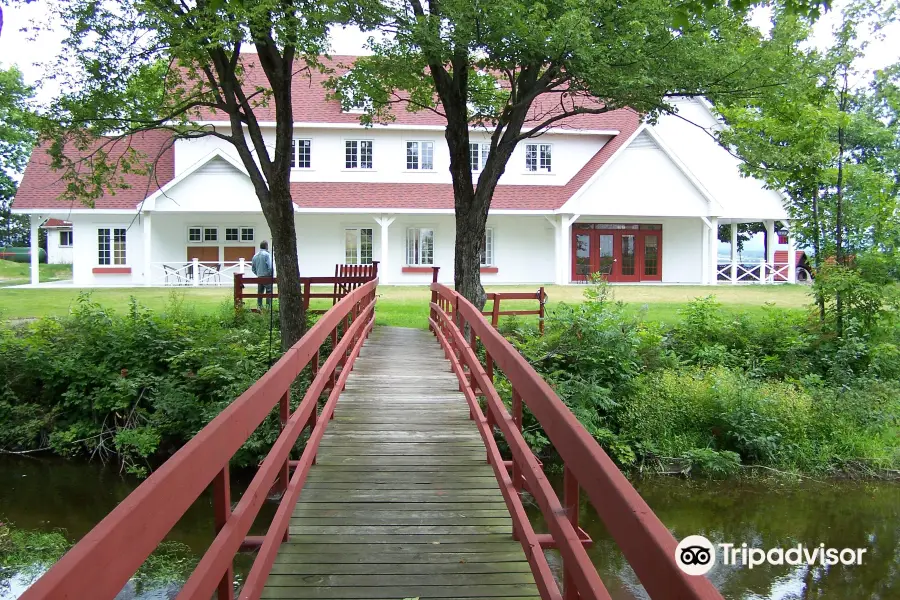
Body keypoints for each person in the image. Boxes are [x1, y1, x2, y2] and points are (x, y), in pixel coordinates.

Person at [251, 241, 274, 309]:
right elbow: (270, 266)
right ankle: (268, 307)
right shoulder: (267, 255)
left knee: (260, 293)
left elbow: (253, 268)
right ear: (266, 246)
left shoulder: (255, 256)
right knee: (269, 292)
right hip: (267, 277)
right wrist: (270, 275)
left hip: (259, 277)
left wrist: (258, 274)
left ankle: (259, 307)